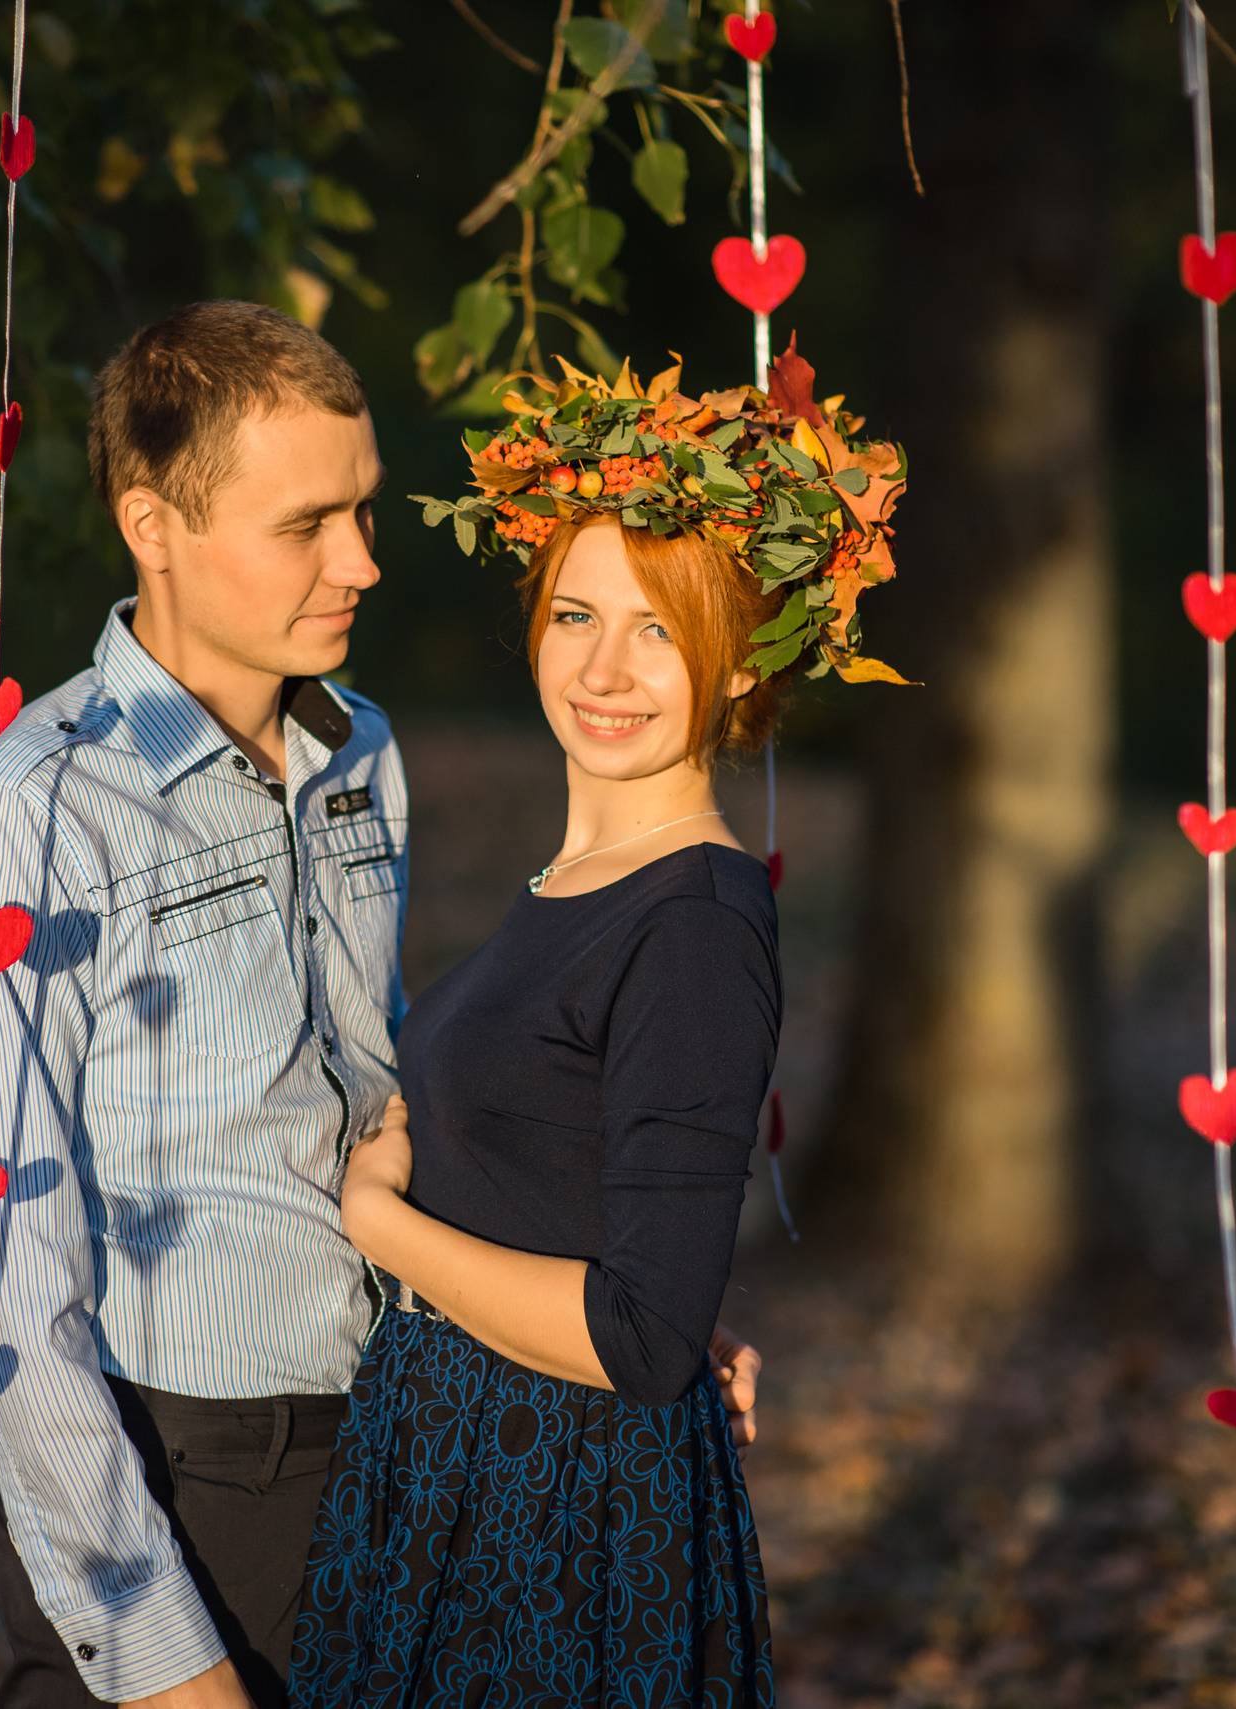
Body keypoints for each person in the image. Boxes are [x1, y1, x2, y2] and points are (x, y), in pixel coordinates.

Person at [0, 304, 766, 1709]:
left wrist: (597, 1283)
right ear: (153, 523)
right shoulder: (20, 827)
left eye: (362, 509)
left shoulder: (359, 753)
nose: (362, 560)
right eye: (308, 524)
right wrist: (176, 1676)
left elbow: (374, 1102)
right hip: (184, 1488)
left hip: (404, 1454)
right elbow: (11, 1313)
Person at [291, 354, 908, 1709]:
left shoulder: (694, 915)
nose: (606, 667)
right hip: (465, 1461)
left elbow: (638, 1337)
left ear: (738, 656)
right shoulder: (574, 883)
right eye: (576, 612)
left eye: (658, 627)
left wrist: (383, 1229)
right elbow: (612, 1236)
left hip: (561, 1512)